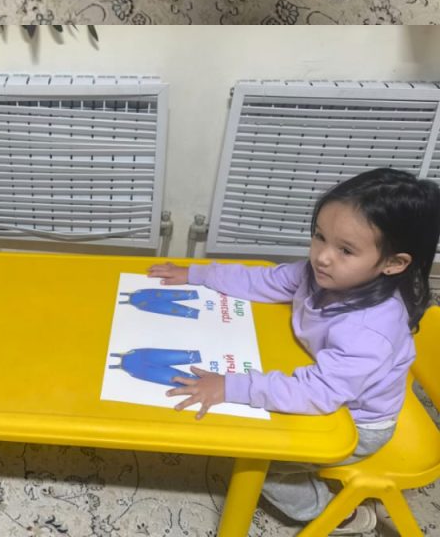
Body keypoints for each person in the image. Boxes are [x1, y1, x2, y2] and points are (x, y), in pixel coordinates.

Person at [148, 167, 440, 535]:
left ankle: (336, 514)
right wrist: (198, 275)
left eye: (346, 250)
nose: (322, 257)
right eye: (320, 236)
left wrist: (231, 386)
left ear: (393, 263)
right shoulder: (323, 275)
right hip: (334, 385)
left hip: (359, 422)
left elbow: (317, 394)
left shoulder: (369, 329)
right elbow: (266, 280)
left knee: (256, 464)